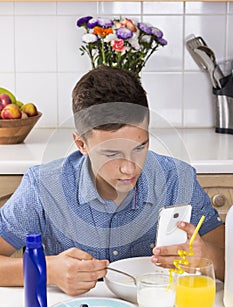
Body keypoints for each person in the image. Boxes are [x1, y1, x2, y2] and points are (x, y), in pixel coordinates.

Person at [0, 66, 224, 295]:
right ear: (81, 145)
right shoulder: (43, 187)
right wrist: (46, 270)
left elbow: (226, 257)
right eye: (112, 154)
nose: (130, 168)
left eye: (140, 147)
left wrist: (208, 257)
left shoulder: (177, 179)